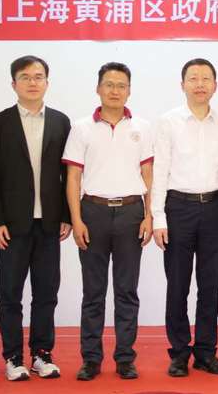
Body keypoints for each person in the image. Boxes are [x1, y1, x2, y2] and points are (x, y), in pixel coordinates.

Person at [62, 62, 154, 381]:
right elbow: (73, 178)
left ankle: (125, 358)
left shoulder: (142, 127)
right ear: (98, 88)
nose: (115, 90)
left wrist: (149, 216)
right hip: (93, 212)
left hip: (130, 213)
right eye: (109, 84)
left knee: (127, 291)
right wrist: (76, 220)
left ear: (129, 90)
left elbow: (148, 174)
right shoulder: (81, 128)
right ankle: (91, 359)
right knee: (93, 292)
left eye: (121, 85)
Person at [0, 55, 71, 381]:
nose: (32, 82)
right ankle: (13, 357)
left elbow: (68, 174)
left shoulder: (61, 122)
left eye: (38, 76)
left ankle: (41, 354)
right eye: (25, 77)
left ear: (47, 82)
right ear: (13, 83)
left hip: (49, 224)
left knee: (46, 293)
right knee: (10, 294)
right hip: (12, 225)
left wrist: (66, 215)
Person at [152, 58, 218, 377]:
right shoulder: (168, 121)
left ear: (215, 85)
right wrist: (158, 217)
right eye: (193, 78)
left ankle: (205, 352)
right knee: (177, 285)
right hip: (178, 208)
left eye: (205, 79)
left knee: (210, 285)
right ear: (182, 84)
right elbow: (160, 170)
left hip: (215, 208)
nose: (199, 84)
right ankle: (178, 353)